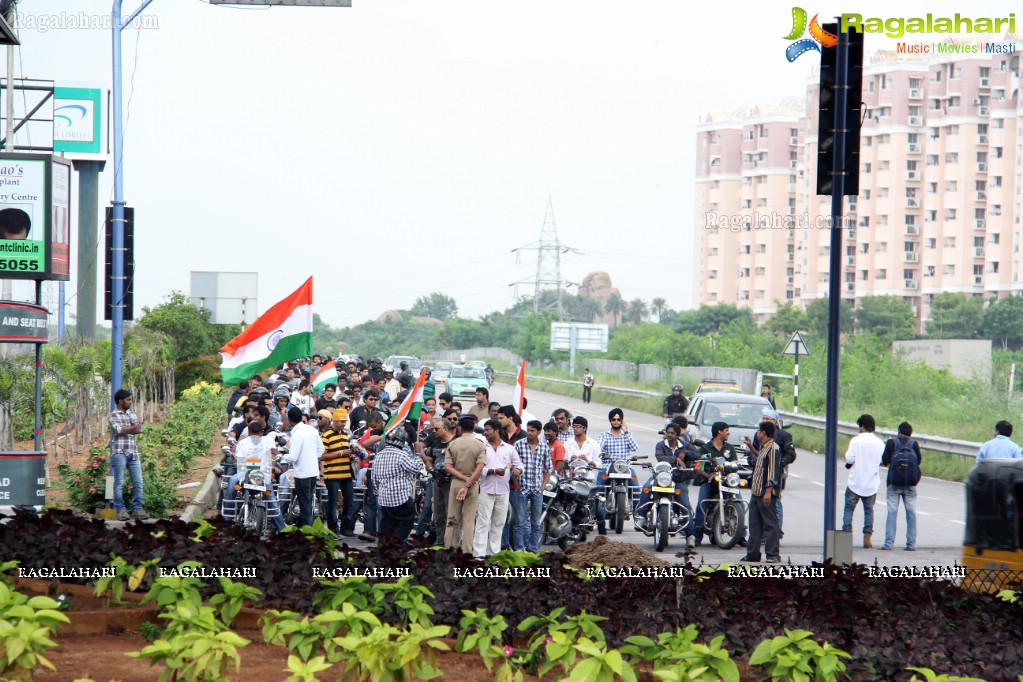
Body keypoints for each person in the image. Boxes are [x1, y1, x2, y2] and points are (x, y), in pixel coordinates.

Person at [639, 422, 698, 547]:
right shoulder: (660, 445)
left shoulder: (685, 445)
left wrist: (686, 453)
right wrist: (676, 459)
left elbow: (697, 454)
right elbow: (660, 458)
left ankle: (691, 535)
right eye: (667, 432)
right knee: (645, 488)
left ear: (677, 435)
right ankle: (642, 516)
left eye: (672, 433)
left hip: (677, 479)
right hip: (661, 476)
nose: (669, 435)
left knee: (685, 504)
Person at [222, 420, 286, 534]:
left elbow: (273, 450)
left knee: (271, 499)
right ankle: (228, 519)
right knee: (231, 482)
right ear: (250, 432)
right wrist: (238, 462)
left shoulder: (268, 440)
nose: (256, 436)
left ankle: (282, 529)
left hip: (262, 474)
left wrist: (279, 454)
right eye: (254, 433)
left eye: (258, 433)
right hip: (245, 473)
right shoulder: (243, 443)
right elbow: (238, 459)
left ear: (262, 432)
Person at [474, 419, 523, 557]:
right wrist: (493, 471)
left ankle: (493, 553)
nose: (485, 432)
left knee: (499, 523)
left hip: (503, 492)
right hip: (485, 491)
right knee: (483, 523)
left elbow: (519, 465)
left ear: (496, 431)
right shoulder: (482, 447)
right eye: (485, 430)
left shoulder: (509, 448)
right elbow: (478, 469)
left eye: (488, 429)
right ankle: (478, 555)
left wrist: (517, 471)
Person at [373, 428, 426, 543]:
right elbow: (415, 469)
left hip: (384, 498)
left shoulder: (378, 455)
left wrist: (379, 493)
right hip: (401, 498)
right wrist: (418, 454)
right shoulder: (401, 455)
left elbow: (374, 479)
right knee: (406, 522)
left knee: (386, 524)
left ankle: (383, 548)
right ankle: (396, 546)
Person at [841, 414, 885, 548]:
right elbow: (882, 461)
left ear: (862, 426)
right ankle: (867, 538)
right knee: (869, 511)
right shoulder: (880, 443)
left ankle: (846, 537)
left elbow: (849, 459)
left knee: (849, 510)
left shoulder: (856, 441)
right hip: (871, 483)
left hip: (855, 482)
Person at [741, 421, 782, 563]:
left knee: (770, 525)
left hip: (765, 493)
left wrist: (768, 492)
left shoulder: (773, 449)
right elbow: (761, 459)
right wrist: (751, 447)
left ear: (764, 433)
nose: (757, 434)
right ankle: (752, 554)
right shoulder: (764, 448)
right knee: (754, 525)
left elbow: (772, 472)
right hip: (756, 492)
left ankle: (772, 554)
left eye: (759, 431)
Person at [444, 415, 486, 552]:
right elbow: (480, 467)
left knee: (453, 518)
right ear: (473, 428)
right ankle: (467, 551)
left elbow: (448, 467)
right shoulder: (480, 445)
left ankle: (449, 549)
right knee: (469, 520)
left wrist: (463, 479)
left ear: (460, 428)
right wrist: (469, 482)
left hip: (456, 483)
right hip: (473, 484)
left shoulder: (453, 444)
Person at [693, 421, 738, 547]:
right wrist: (709, 476)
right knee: (702, 503)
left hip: (727, 482)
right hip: (709, 482)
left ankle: (740, 534)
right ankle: (697, 535)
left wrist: (731, 469)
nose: (728, 432)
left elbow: (734, 463)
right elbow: (698, 467)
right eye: (726, 430)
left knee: (738, 500)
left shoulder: (729, 448)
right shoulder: (705, 448)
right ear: (719, 432)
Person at [880, 421, 923, 551]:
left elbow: (885, 461)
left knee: (892, 513)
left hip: (893, 483)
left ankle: (888, 544)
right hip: (910, 484)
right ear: (910, 433)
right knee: (911, 513)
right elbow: (918, 461)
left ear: (898, 431)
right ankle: (911, 544)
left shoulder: (891, 443)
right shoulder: (914, 444)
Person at [597, 408, 640, 534]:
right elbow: (598, 448)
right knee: (598, 487)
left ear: (622, 421)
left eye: (618, 419)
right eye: (613, 419)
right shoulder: (604, 435)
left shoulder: (628, 434)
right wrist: (602, 455)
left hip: (626, 466)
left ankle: (638, 516)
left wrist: (626, 432)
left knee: (636, 489)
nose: (616, 421)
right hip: (607, 466)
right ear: (610, 421)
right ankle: (596, 515)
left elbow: (635, 448)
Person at [514, 420, 554, 552]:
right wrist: (517, 485)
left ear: (539, 432)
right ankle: (519, 549)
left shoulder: (544, 447)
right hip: (522, 488)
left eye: (532, 430)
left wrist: (542, 487)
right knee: (520, 522)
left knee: (536, 523)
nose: (529, 433)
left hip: (537, 489)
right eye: (528, 430)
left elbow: (549, 469)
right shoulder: (519, 445)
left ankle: (533, 549)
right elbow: (511, 466)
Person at [281, 406, 324, 528]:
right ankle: (302, 527)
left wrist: (281, 457)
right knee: (308, 501)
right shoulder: (312, 430)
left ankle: (307, 532)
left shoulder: (296, 435)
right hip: (313, 472)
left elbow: (293, 457)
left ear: (290, 420)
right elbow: (321, 450)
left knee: (304, 504)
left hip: (302, 473)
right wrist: (311, 458)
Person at [108, 388, 146, 521]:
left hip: (133, 452)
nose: (130, 402)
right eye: (128, 399)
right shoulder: (113, 415)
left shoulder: (131, 414)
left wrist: (130, 429)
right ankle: (121, 510)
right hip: (119, 452)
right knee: (119, 482)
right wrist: (132, 428)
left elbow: (138, 429)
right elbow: (118, 430)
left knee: (138, 482)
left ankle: (138, 510)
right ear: (120, 401)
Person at [320, 409, 357, 536]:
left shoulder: (346, 435)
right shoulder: (327, 435)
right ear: (335, 421)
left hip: (346, 473)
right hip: (332, 474)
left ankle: (345, 528)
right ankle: (332, 528)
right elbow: (322, 456)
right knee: (332, 502)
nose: (343, 424)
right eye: (341, 421)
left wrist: (351, 453)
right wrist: (340, 454)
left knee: (349, 500)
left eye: (345, 422)